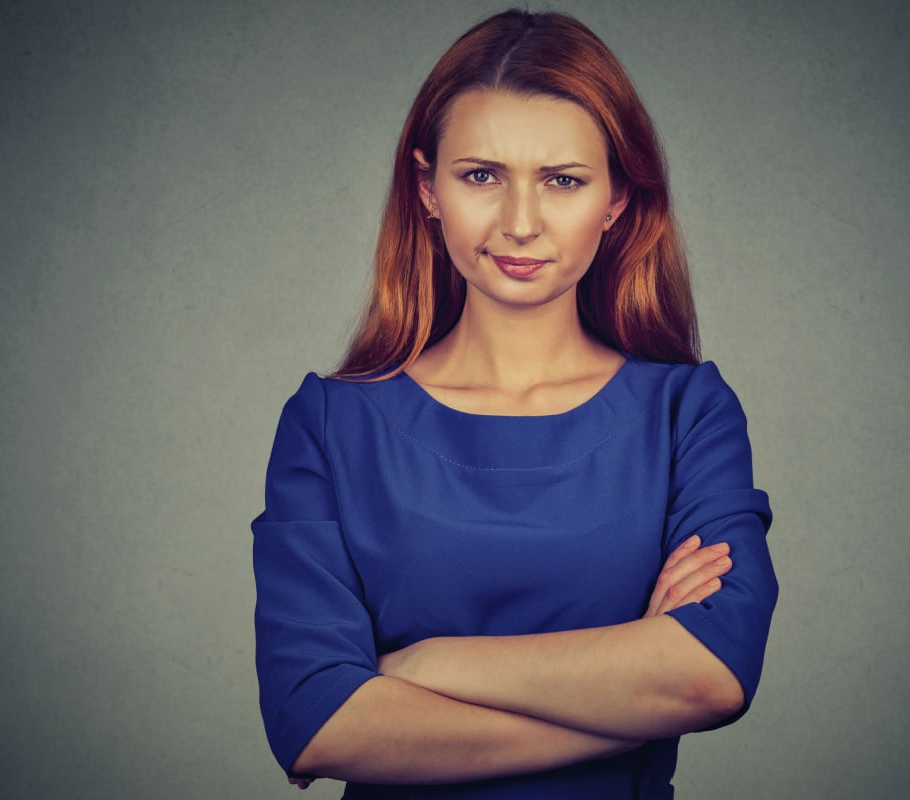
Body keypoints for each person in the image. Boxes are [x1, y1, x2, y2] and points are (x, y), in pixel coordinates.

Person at [251, 9, 777, 798]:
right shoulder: (332, 425)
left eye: (563, 180)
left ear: (616, 200)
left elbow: (712, 674)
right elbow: (318, 721)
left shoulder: (685, 414)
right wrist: (632, 676)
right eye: (480, 176)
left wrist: (427, 666)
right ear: (427, 188)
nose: (520, 223)